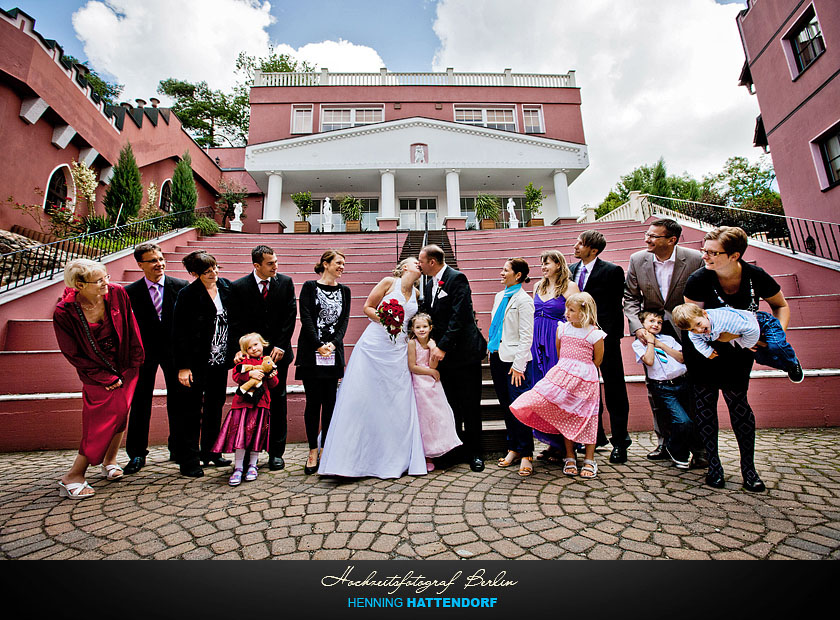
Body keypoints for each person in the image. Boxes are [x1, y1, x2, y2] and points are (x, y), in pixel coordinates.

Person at [683, 226, 795, 492]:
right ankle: (715, 467)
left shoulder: (756, 277)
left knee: (739, 405)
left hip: (739, 352)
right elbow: (689, 321)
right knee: (705, 408)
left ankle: (749, 470)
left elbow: (781, 305)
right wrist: (717, 339)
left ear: (734, 256)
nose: (705, 256)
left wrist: (773, 338)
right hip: (704, 353)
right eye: (704, 250)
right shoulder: (699, 279)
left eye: (712, 252)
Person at [318, 258, 427, 479]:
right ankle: (350, 460)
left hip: (398, 350)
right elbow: (367, 307)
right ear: (405, 267)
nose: (419, 265)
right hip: (375, 345)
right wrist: (387, 320)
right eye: (415, 262)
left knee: (396, 400)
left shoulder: (416, 294)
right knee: (364, 397)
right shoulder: (389, 282)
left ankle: (393, 456)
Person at [53, 259, 144, 498]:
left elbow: (130, 326)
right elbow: (73, 353)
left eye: (106, 277)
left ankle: (110, 461)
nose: (106, 283)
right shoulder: (64, 312)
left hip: (125, 367)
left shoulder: (117, 293)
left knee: (121, 414)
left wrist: (134, 362)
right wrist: (104, 376)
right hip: (96, 374)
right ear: (79, 285)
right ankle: (73, 475)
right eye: (99, 280)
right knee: (100, 422)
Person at [623, 218, 704, 461]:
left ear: (671, 240)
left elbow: (701, 295)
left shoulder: (693, 259)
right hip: (652, 331)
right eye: (647, 235)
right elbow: (630, 297)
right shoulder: (638, 260)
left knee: (693, 391)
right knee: (657, 391)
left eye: (653, 236)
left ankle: (699, 449)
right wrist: (638, 328)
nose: (647, 239)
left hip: (686, 331)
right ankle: (664, 443)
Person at [510, 292, 605, 480]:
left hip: (586, 380)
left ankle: (589, 458)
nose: (567, 313)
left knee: (587, 417)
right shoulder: (562, 329)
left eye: (571, 310)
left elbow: (598, 359)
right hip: (563, 375)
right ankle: (569, 455)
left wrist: (582, 373)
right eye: (567, 309)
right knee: (566, 415)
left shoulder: (595, 334)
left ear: (584, 312)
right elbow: (560, 353)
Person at [418, 244, 488, 472]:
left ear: (432, 262)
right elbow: (430, 317)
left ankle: (476, 453)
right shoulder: (428, 285)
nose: (419, 265)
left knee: (470, 405)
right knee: (450, 405)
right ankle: (455, 450)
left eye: (421, 261)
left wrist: (443, 346)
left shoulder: (457, 279)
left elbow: (461, 315)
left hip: (464, 353)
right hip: (443, 356)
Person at [229, 245, 296, 471]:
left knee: (278, 401)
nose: (275, 266)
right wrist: (242, 351)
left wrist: (281, 346)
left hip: (278, 356)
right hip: (251, 357)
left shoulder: (285, 283)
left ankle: (276, 453)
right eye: (270, 263)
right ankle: (248, 451)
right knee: (250, 403)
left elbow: (290, 317)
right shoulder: (238, 287)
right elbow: (235, 322)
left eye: (276, 261)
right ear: (256, 265)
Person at [123, 243, 188, 474]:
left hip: (174, 354)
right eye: (152, 260)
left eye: (160, 258)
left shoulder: (180, 287)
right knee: (140, 403)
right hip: (144, 355)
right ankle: (137, 454)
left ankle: (179, 449)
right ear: (140, 264)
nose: (159, 264)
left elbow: (186, 326)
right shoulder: (129, 292)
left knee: (179, 402)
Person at [172, 250, 234, 478]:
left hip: (220, 360)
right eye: (207, 272)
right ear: (194, 274)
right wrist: (183, 366)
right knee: (190, 411)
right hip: (197, 362)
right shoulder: (187, 294)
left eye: (216, 268)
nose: (214, 274)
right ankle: (189, 459)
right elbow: (179, 332)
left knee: (215, 407)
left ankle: (211, 451)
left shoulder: (227, 288)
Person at [569, 230, 629, 463]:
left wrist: (599, 334)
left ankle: (621, 442)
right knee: (585, 389)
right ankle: (595, 436)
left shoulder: (612, 271)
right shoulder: (572, 271)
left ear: (593, 250)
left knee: (614, 389)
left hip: (604, 339)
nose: (575, 246)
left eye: (580, 244)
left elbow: (615, 307)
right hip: (578, 341)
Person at [295, 250, 351, 475]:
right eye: (338, 263)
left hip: (332, 354)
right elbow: (306, 317)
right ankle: (312, 450)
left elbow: (344, 321)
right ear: (325, 264)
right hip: (312, 352)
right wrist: (318, 345)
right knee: (312, 403)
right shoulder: (310, 286)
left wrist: (334, 344)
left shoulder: (345, 291)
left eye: (343, 264)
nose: (342, 267)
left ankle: (326, 448)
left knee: (330, 403)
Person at [530, 250, 580, 463]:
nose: (543, 267)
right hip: (536, 340)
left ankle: (566, 445)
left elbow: (579, 314)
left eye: (547, 263)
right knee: (543, 392)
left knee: (560, 392)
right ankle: (552, 442)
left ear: (559, 265)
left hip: (558, 340)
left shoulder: (570, 287)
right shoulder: (537, 286)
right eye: (542, 263)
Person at [489, 258, 537, 477]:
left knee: (520, 408)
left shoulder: (524, 300)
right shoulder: (500, 296)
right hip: (498, 356)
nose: (501, 273)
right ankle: (513, 448)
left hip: (515, 362)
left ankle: (527, 453)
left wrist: (519, 366)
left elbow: (527, 336)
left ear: (518, 275)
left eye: (505, 270)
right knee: (506, 405)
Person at [212, 333, 278, 486]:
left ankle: (253, 465)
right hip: (242, 404)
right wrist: (250, 374)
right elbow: (236, 375)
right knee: (240, 436)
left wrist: (269, 375)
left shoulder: (268, 361)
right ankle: (238, 467)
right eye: (249, 347)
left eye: (256, 345)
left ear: (263, 344)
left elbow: (275, 383)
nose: (253, 349)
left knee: (256, 436)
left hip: (261, 405)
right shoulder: (244, 362)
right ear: (244, 351)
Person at [632, 310, 693, 469]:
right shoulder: (638, 344)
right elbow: (649, 361)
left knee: (688, 420)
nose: (656, 325)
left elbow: (681, 357)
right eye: (651, 321)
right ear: (643, 324)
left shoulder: (669, 339)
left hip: (681, 382)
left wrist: (660, 344)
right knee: (682, 420)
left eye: (659, 322)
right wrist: (651, 343)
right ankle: (676, 451)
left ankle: (677, 450)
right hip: (662, 387)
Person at [406, 313, 463, 472]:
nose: (421, 330)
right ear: (413, 329)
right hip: (419, 381)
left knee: (437, 415)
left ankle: (437, 449)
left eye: (424, 326)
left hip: (432, 383)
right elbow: (412, 366)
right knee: (423, 417)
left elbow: (434, 365)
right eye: (418, 327)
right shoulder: (412, 343)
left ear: (430, 328)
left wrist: (432, 348)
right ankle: (425, 455)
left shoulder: (433, 344)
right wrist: (430, 372)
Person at [673, 303, 761, 358]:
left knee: (769, 347)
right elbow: (696, 340)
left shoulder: (725, 321)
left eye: (698, 324)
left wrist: (747, 344)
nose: (699, 330)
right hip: (732, 332)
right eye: (692, 329)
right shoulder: (695, 329)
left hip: (755, 321)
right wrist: (708, 352)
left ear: (705, 314)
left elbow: (752, 329)